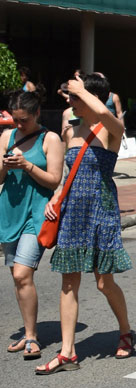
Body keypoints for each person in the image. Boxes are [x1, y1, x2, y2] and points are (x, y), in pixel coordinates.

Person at [36, 72, 134, 373]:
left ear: (92, 97)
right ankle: (67, 353)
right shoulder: (70, 130)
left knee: (104, 282)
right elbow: (67, 173)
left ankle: (125, 331)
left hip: (101, 210)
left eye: (75, 96)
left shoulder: (111, 128)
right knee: (68, 281)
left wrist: (84, 91)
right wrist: (56, 198)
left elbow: (105, 111)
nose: (70, 101)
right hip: (73, 211)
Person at [0, 91, 64, 360]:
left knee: (21, 274)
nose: (19, 126)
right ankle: (28, 333)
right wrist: (5, 166)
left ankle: (33, 339)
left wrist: (26, 165)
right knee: (18, 275)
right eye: (15, 120)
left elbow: (53, 180)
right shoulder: (6, 137)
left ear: (37, 114)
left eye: (24, 120)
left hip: (36, 214)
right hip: (9, 211)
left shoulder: (50, 139)